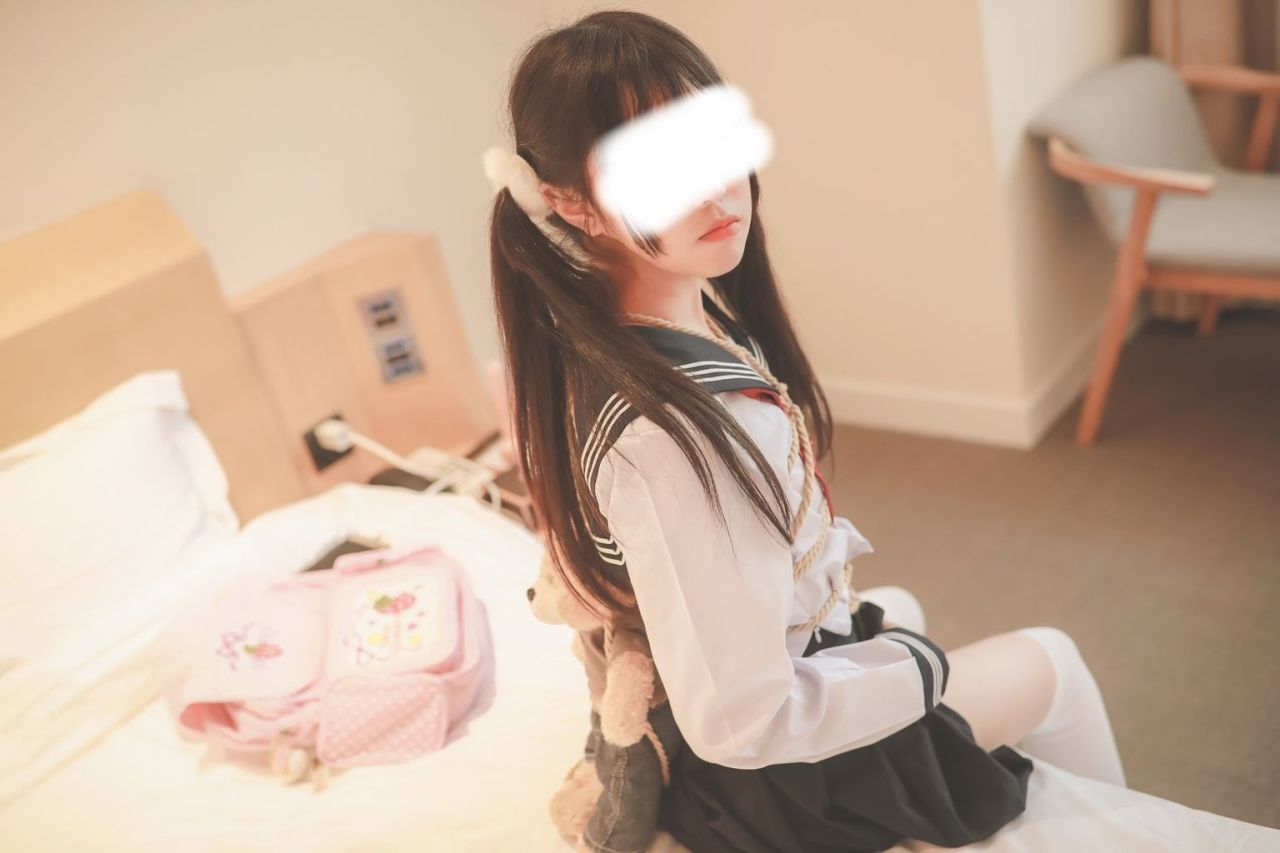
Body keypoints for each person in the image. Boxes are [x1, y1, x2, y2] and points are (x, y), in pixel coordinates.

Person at [486, 10, 1126, 852]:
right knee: (1054, 659)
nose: (715, 189)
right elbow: (741, 721)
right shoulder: (679, 435)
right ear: (572, 206)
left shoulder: (599, 337)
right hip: (771, 785)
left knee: (900, 609)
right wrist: (919, 669)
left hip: (708, 711)